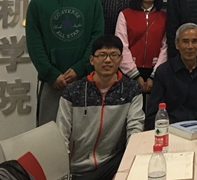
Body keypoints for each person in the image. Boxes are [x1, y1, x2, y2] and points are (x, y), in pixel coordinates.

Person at [26, 0, 105, 126]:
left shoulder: (92, 1)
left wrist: (80, 68)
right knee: (49, 131)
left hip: (85, 78)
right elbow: (34, 42)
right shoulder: (38, 3)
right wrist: (51, 73)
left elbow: (97, 37)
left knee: (85, 131)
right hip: (52, 80)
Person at [56, 35, 144, 180]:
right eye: (102, 55)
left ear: (121, 59)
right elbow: (62, 134)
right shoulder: (73, 91)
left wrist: (129, 163)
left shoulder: (131, 90)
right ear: (92, 60)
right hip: (77, 168)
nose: (108, 60)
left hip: (112, 165)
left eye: (113, 55)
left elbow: (135, 128)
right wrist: (63, 172)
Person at [146, 23, 197, 129]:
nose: (190, 47)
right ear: (176, 44)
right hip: (172, 130)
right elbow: (153, 115)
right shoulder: (163, 72)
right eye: (185, 41)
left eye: (194, 41)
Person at [115, 0, 167, 101]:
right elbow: (121, 45)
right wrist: (135, 75)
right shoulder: (125, 14)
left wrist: (154, 76)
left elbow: (165, 47)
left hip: (156, 70)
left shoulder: (164, 16)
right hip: (130, 71)